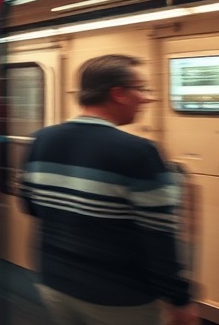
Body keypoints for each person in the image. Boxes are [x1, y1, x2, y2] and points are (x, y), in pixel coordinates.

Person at [18, 54, 198, 325]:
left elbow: (30, 206)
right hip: (119, 298)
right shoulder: (140, 152)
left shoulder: (40, 139)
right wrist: (179, 299)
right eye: (141, 89)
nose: (147, 98)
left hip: (53, 281)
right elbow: (159, 236)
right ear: (118, 94)